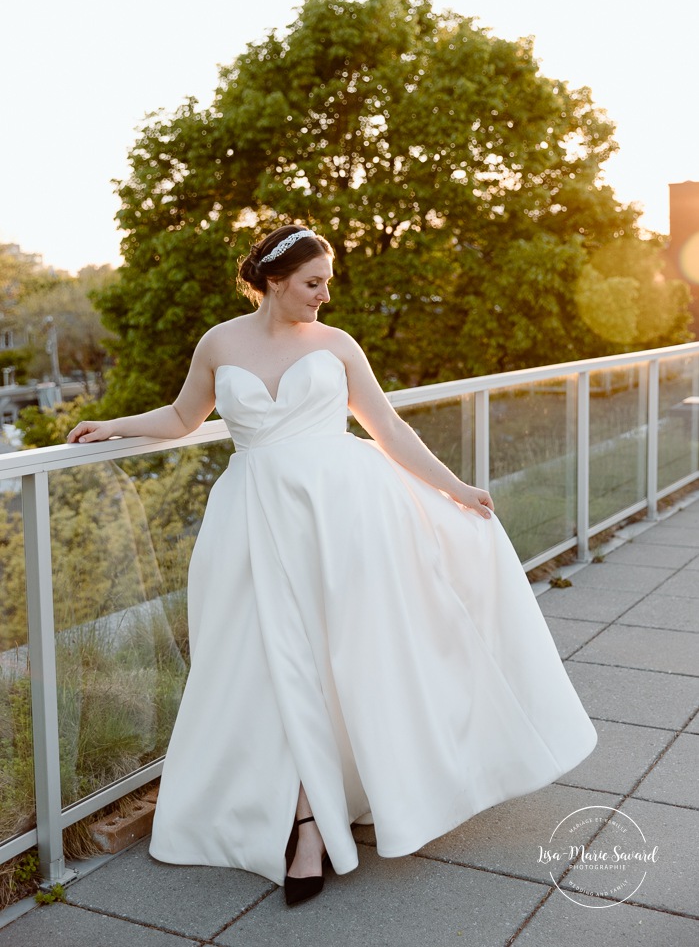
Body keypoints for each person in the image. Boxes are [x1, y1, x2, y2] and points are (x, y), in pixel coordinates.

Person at [68, 224, 597, 907]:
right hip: (253, 522)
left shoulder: (337, 345)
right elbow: (179, 416)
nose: (324, 294)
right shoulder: (219, 343)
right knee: (266, 666)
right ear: (273, 281)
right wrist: (114, 426)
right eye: (312, 282)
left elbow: (388, 429)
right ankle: (303, 822)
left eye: (327, 282)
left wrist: (455, 490)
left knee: (338, 659)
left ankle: (320, 822)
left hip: (347, 516)